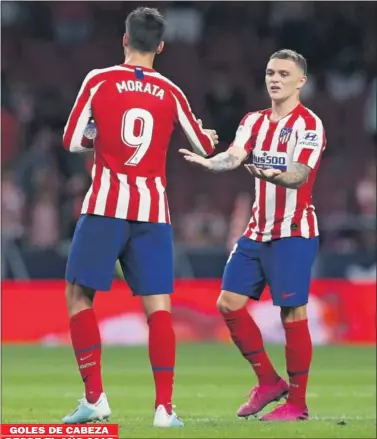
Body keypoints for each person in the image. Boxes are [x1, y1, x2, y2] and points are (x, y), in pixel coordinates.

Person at [62, 7, 217, 427]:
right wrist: (209, 137)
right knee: (158, 307)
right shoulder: (171, 90)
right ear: (161, 47)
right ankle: (164, 410)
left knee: (79, 297)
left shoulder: (98, 80)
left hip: (106, 206)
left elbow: (73, 139)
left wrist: (100, 134)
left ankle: (95, 399)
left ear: (124, 40)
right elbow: (203, 146)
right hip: (153, 210)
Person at [180, 49, 326, 422]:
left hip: (293, 231)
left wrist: (269, 173)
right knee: (228, 303)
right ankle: (268, 381)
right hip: (256, 231)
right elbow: (234, 155)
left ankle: (297, 403)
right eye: (270, 72)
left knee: (292, 312)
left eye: (283, 74)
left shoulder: (309, 125)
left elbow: (298, 174)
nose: (275, 79)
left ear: (301, 82)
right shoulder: (253, 121)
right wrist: (210, 163)